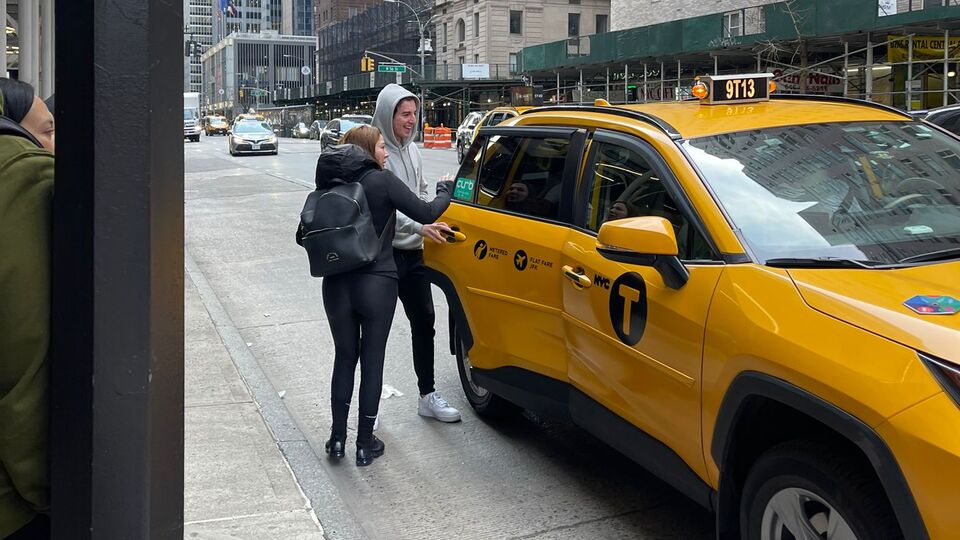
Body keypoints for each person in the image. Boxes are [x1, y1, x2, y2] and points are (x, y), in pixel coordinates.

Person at [319, 125, 453, 466]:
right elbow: (426, 213)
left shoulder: (331, 185)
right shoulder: (381, 180)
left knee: (344, 358)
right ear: (367, 149)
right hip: (376, 282)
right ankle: (365, 443)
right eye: (381, 147)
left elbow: (304, 233)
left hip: (335, 285)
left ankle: (337, 439)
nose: (386, 153)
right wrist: (444, 190)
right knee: (373, 359)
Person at [371, 84, 461, 423]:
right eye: (404, 114)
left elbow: (421, 197)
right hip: (384, 257)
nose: (412, 120)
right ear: (387, 115)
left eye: (414, 113)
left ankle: (427, 395)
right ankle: (371, 407)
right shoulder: (376, 154)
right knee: (375, 332)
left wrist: (422, 228)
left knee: (425, 323)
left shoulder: (414, 151)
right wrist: (420, 227)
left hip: (414, 256)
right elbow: (383, 212)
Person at [0, 77, 55, 539]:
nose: (55, 146)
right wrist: (46, 494)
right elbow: (27, 358)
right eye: (49, 131)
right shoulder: (26, 177)